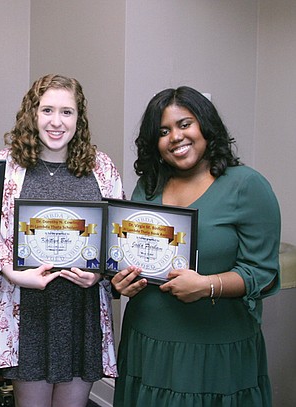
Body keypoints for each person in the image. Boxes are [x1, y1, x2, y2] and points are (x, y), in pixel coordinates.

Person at [112, 86, 281, 406]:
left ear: (206, 125)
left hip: (215, 350)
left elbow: (265, 274)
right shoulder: (148, 187)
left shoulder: (247, 185)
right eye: (163, 131)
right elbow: (132, 253)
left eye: (185, 124)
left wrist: (208, 285)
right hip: (148, 343)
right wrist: (122, 281)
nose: (175, 136)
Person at [0, 74, 123, 407]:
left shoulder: (101, 168)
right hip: (28, 310)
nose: (56, 122)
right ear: (32, 113)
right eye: (47, 110)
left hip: (82, 312)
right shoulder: (7, 164)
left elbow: (116, 238)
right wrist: (13, 274)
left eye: (67, 112)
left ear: (79, 118)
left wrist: (100, 272)